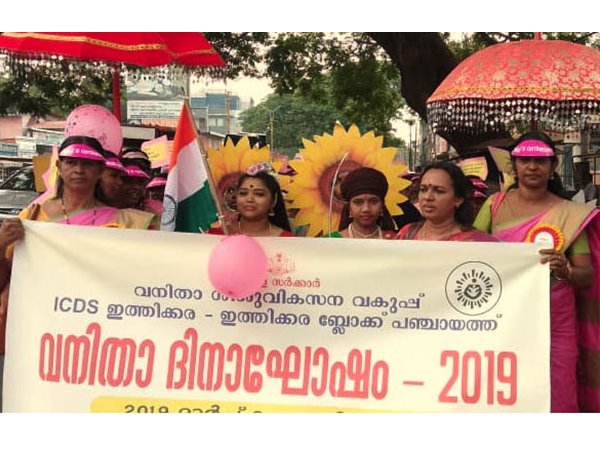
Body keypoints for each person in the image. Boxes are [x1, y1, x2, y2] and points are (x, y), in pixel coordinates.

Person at [0, 135, 153, 411]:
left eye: (87, 164)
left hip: (99, 336)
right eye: (71, 162)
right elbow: (7, 277)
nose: (79, 170)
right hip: (41, 333)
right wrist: (1, 245)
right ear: (59, 166)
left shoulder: (126, 222)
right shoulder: (32, 216)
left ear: (100, 169)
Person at [473, 131, 600, 412]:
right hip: (500, 314)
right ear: (514, 165)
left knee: (557, 388)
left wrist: (566, 270)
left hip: (554, 318)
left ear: (552, 166)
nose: (532, 166)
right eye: (525, 160)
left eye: (540, 161)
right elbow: (469, 255)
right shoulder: (493, 206)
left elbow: (587, 275)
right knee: (504, 387)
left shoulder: (571, 213)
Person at [396, 161, 496, 242]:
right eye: (423, 189)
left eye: (439, 191)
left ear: (458, 199)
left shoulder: (478, 242)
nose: (428, 197)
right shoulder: (407, 234)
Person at [213, 165, 293, 237]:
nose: (249, 199)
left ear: (273, 201)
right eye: (243, 193)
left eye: (259, 194)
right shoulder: (217, 235)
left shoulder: (286, 240)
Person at [328, 167, 396, 239]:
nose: (366, 209)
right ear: (349, 208)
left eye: (373, 202)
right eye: (358, 202)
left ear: (382, 207)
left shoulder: (396, 240)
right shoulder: (330, 241)